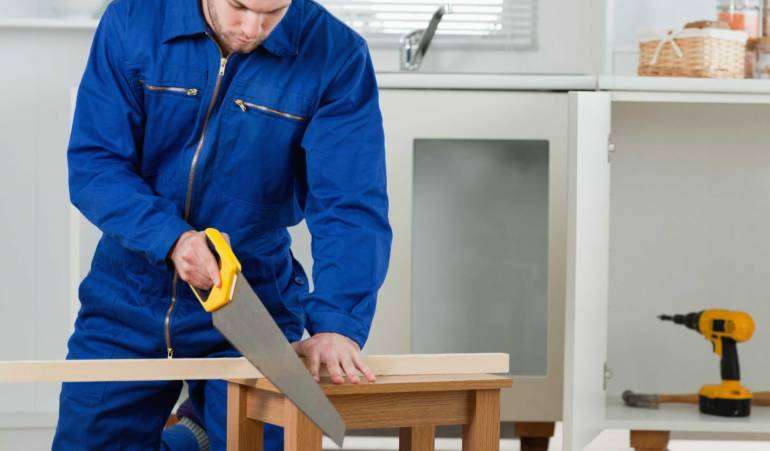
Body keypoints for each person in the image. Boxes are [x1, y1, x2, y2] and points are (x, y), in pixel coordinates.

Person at [53, 0, 392, 448]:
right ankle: (194, 435)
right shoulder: (134, 20)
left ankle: (200, 430)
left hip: (254, 298)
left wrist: (337, 322)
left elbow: (350, 202)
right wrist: (170, 239)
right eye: (238, 6)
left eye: (273, 12)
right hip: (128, 295)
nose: (253, 28)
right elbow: (96, 165)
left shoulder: (336, 54)